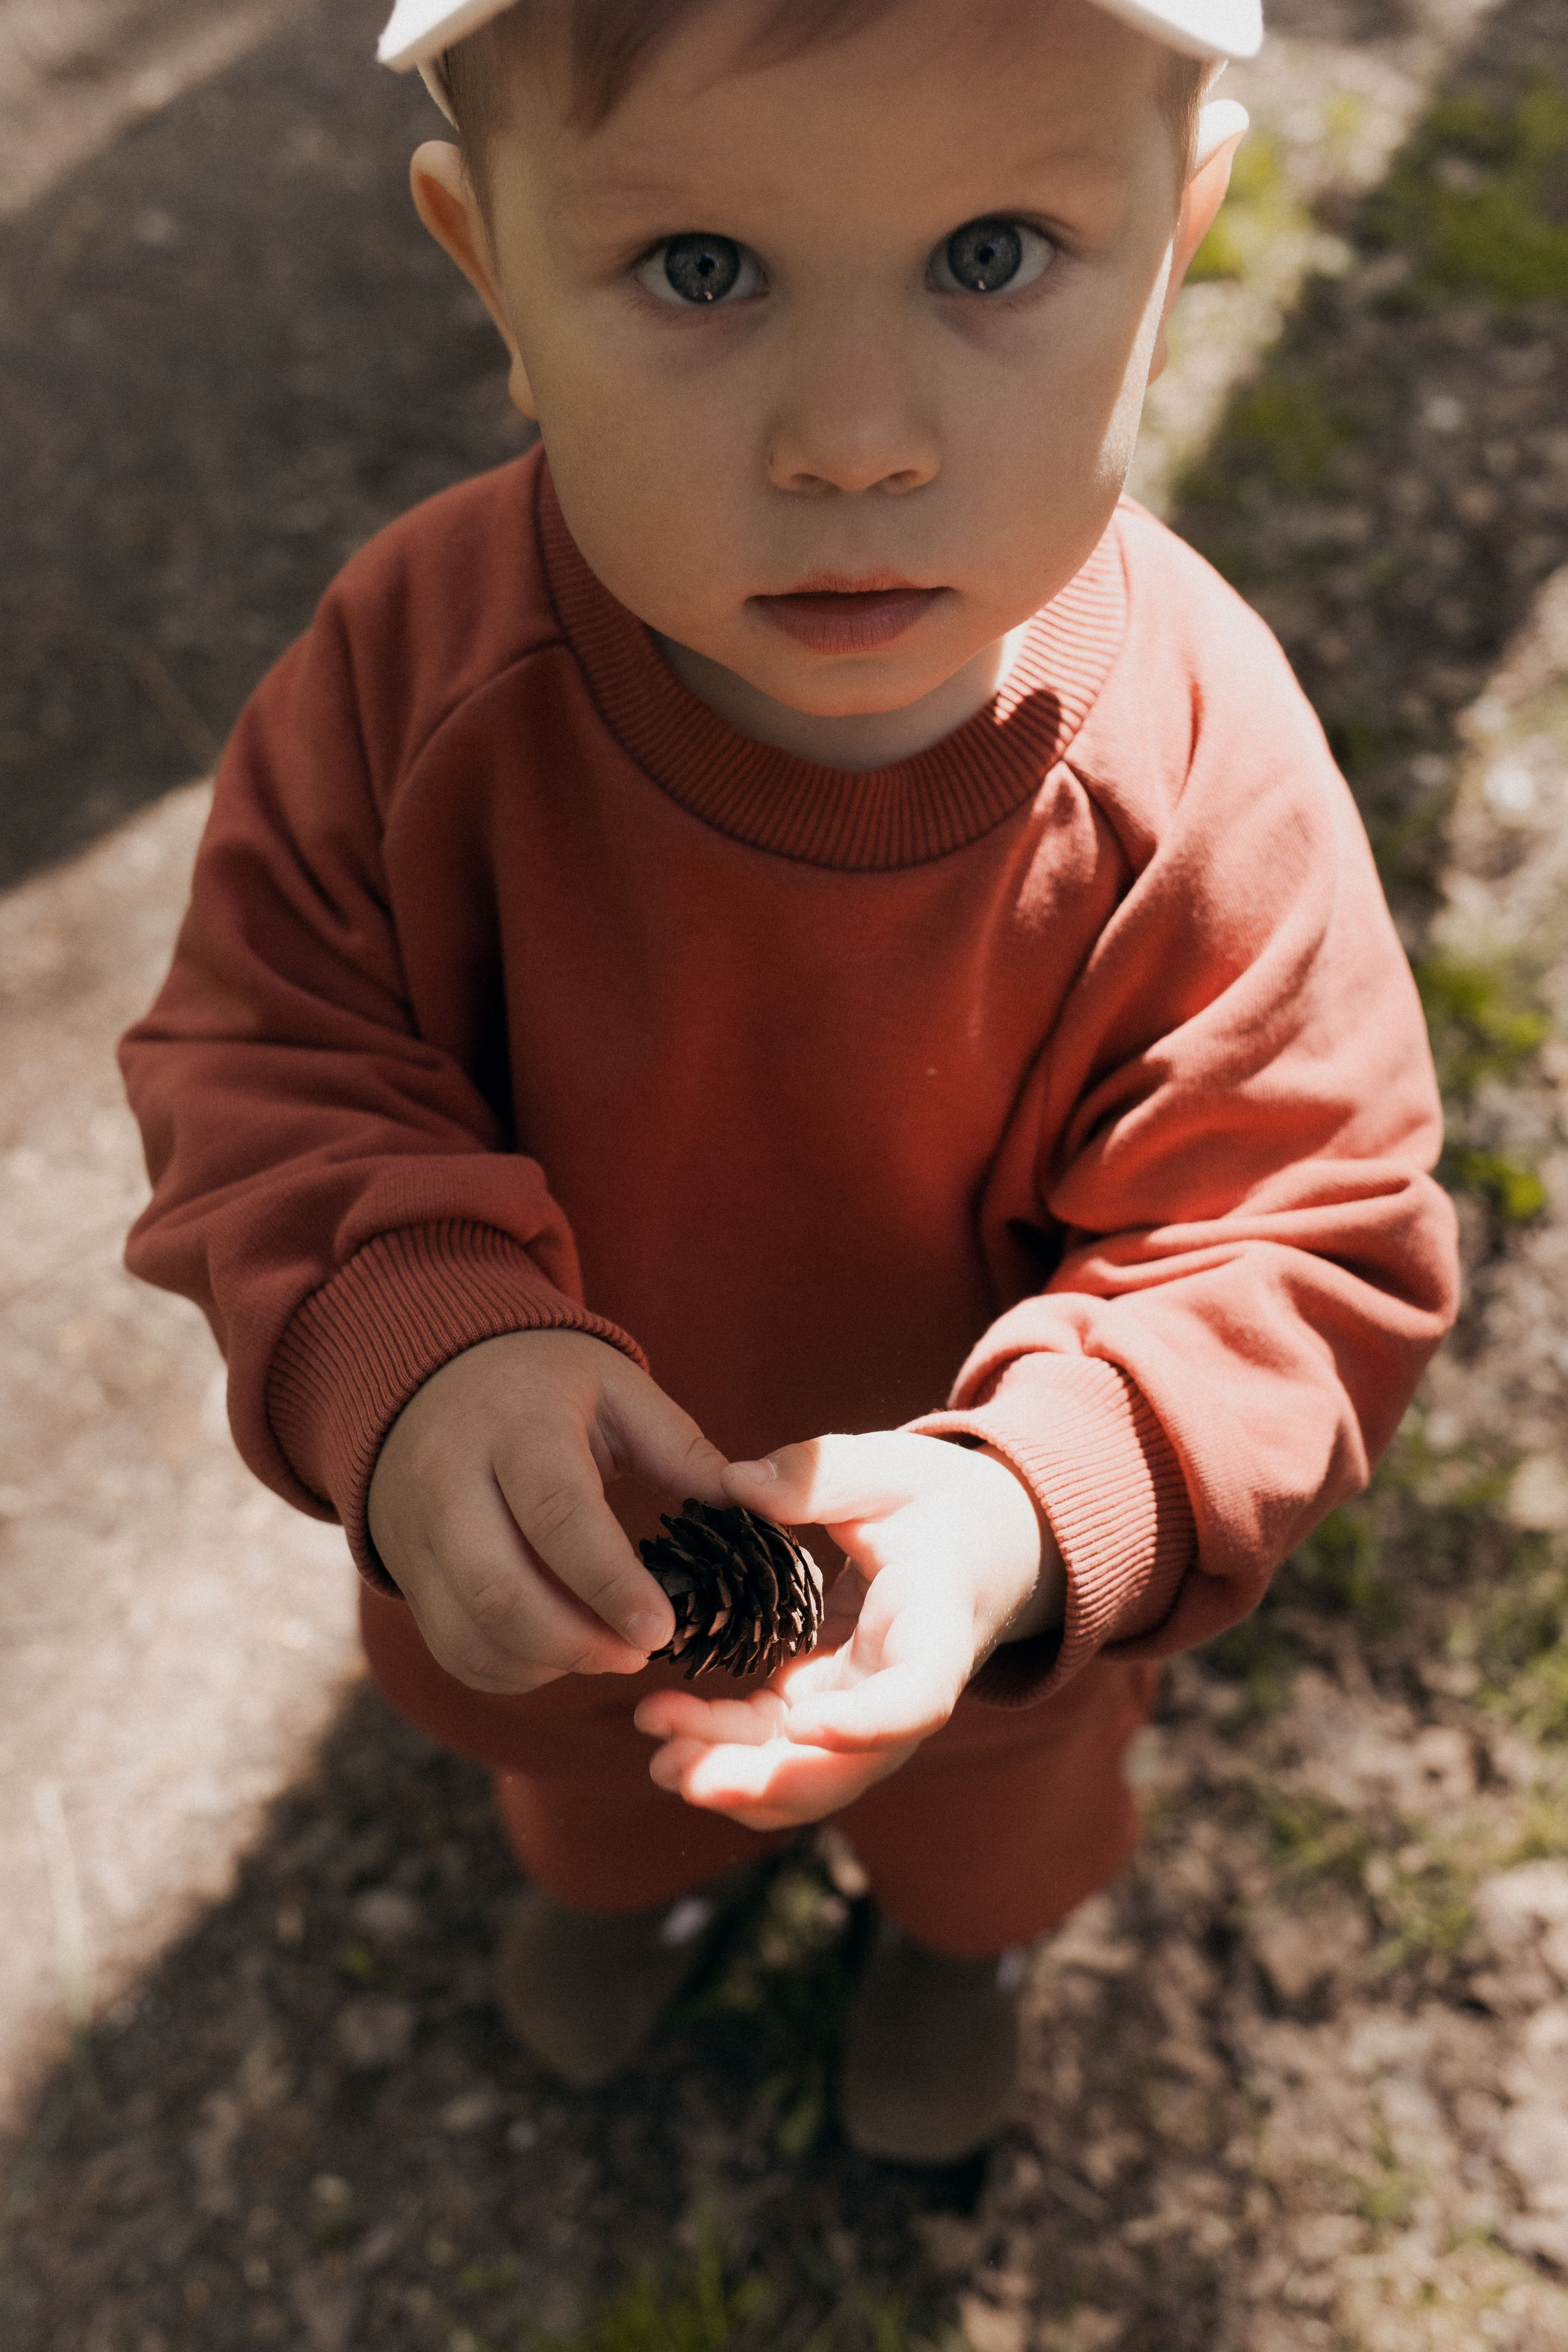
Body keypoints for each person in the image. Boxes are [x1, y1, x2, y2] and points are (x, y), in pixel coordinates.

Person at [119, 0, 1458, 2165]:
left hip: (977, 1603)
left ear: (1180, 233)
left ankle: (959, 1953)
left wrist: (1037, 1508)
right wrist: (422, 1341)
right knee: (592, 1799)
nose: (853, 438)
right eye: (704, 269)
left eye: (996, 254)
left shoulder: (1197, 775)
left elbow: (1300, 1231)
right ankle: (635, 1898)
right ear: (492, 269)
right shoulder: (419, 670)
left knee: (982, 1835)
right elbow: (272, 1044)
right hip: (570, 1575)